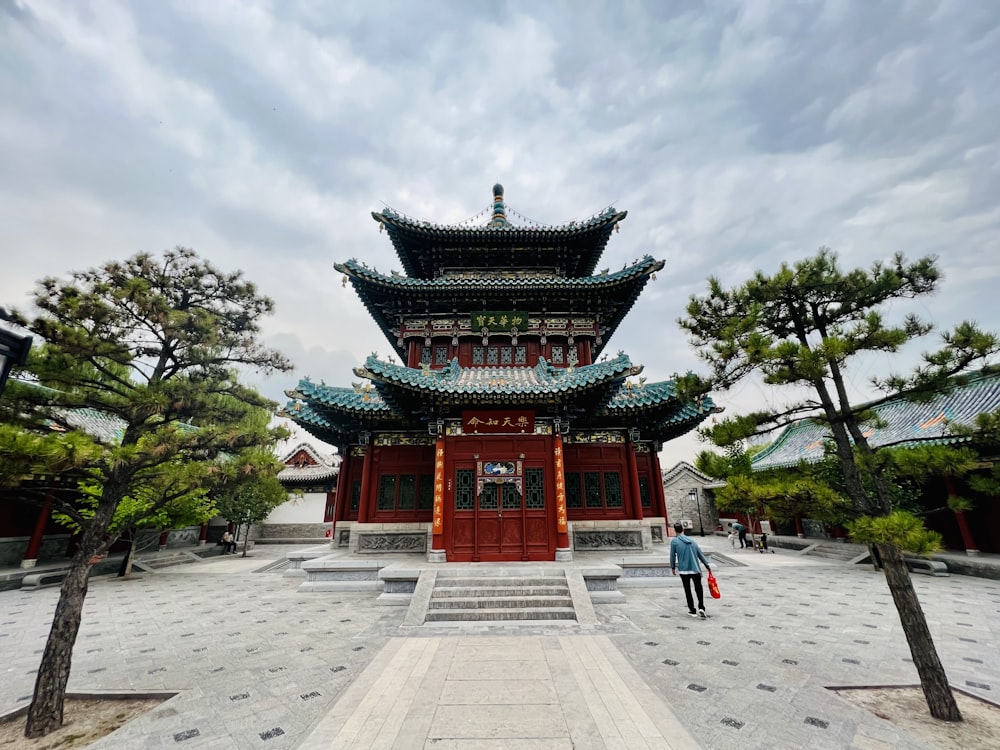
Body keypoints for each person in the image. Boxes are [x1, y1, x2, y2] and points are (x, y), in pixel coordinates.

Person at [669, 522, 712, 618]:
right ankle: (701, 607)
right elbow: (700, 554)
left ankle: (692, 610)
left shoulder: (674, 541)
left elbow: (672, 555)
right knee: (698, 588)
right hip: (695, 569)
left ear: (675, 531)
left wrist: (672, 566)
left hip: (684, 570)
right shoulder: (692, 541)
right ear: (683, 530)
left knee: (687, 590)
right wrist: (707, 565)